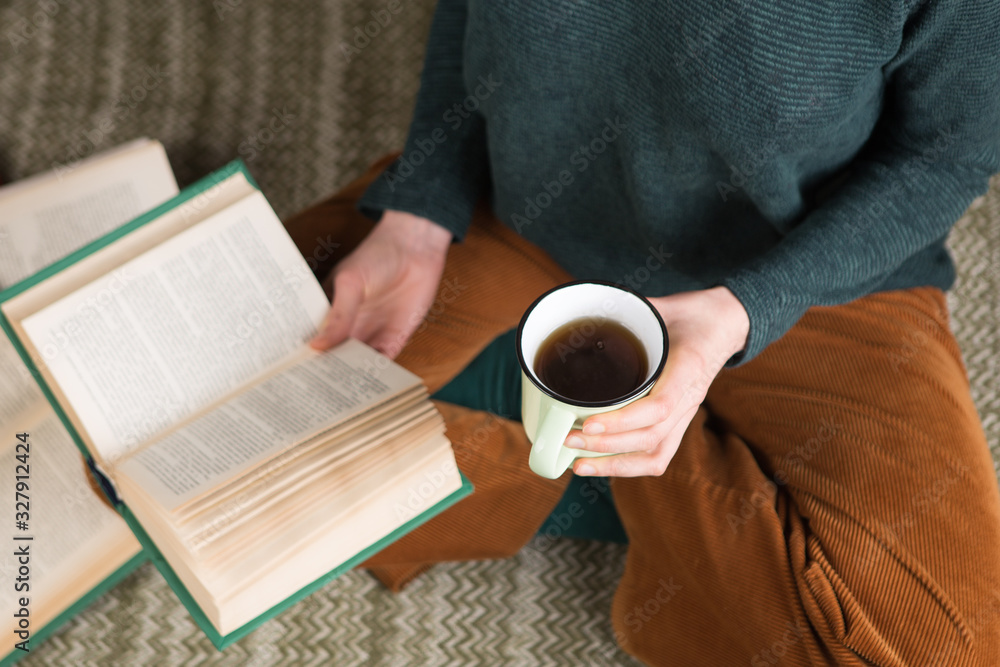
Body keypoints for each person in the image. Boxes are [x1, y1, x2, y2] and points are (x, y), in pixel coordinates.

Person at [288, 1, 1000, 664]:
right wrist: (418, 209)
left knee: (937, 646)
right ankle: (604, 454)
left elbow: (948, 153)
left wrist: (747, 306)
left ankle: (564, 435)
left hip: (808, 267)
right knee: (227, 427)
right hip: (523, 210)